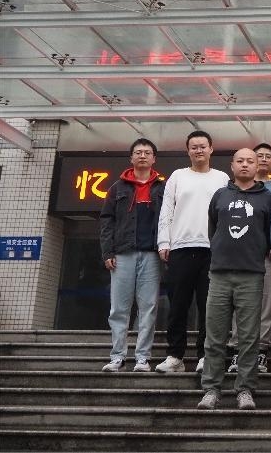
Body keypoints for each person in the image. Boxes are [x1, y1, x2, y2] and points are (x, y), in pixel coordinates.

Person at [197, 148, 271, 410]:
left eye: (250, 161)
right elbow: (213, 229)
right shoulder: (220, 195)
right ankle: (211, 389)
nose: (245, 165)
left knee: (249, 337)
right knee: (215, 336)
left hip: (251, 274)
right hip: (219, 273)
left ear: (257, 166)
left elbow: (269, 234)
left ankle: (245, 389)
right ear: (232, 166)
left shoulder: (266, 198)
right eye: (240, 161)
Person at [156, 130, 229, 373]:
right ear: (188, 151)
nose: (199, 150)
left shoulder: (222, 178)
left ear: (211, 149)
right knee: (178, 305)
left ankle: (205, 356)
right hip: (180, 248)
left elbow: (227, 215)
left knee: (209, 306)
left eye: (203, 146)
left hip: (212, 250)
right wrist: (163, 242)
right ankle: (175, 356)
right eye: (194, 147)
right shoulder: (177, 176)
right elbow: (166, 210)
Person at [99, 138, 165, 373]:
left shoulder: (162, 188)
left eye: (147, 152)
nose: (142, 155)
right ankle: (117, 356)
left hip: (152, 255)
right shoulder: (117, 188)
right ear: (131, 158)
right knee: (119, 308)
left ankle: (142, 358)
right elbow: (106, 221)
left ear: (154, 158)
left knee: (148, 307)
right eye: (138, 152)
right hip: (123, 254)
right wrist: (107, 251)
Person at [228, 142, 271, 374]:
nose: (263, 160)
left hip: (266, 255)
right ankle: (237, 350)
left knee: (266, 305)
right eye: (260, 156)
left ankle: (261, 351)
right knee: (240, 305)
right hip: (238, 256)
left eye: (267, 156)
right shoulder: (229, 191)